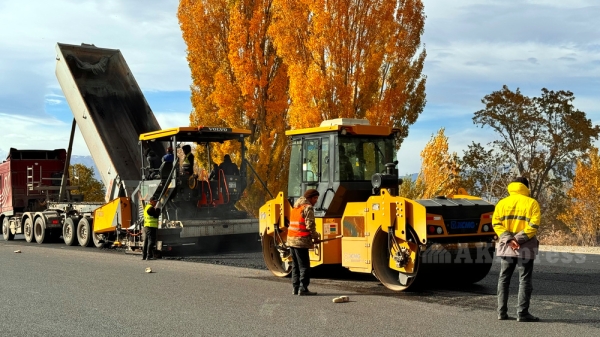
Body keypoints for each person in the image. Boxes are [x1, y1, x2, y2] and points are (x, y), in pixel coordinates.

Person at [493, 177, 541, 322]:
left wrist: (509, 239)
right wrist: (518, 239)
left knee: (504, 279)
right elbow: (534, 225)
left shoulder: (502, 203)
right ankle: (522, 313)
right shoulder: (532, 203)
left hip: (507, 247)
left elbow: (496, 223)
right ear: (526, 187)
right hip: (525, 247)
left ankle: (501, 313)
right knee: (524, 280)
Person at [287, 189, 320, 296]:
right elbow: (310, 225)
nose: (316, 201)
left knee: (296, 265)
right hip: (300, 241)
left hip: (291, 240)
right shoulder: (308, 208)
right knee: (304, 266)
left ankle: (295, 288)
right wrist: (316, 237)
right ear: (310, 198)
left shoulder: (296, 208)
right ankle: (303, 288)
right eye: (315, 198)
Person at [142, 196, 161, 260]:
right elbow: (156, 215)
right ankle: (149, 256)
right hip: (151, 227)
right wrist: (158, 209)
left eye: (156, 202)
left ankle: (144, 256)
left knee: (146, 241)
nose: (155, 203)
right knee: (151, 241)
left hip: (147, 226)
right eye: (154, 201)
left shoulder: (147, 207)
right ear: (151, 201)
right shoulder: (150, 208)